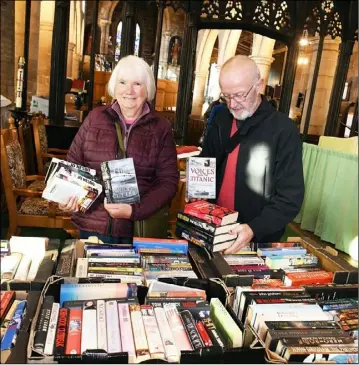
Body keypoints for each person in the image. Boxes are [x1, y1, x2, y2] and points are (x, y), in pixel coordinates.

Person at [58, 55, 179, 244]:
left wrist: (134, 210)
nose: (129, 91)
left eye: (137, 84)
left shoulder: (161, 127)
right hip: (93, 225)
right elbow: (73, 164)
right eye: (122, 82)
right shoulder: (95, 118)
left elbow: (168, 182)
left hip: (138, 228)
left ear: (148, 90)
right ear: (114, 87)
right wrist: (67, 196)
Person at [201, 55, 304, 254]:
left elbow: (290, 198)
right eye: (226, 96)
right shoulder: (221, 119)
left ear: (259, 85)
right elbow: (207, 162)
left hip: (258, 238)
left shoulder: (283, 129)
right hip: (215, 229)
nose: (232, 104)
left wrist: (254, 228)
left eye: (239, 95)